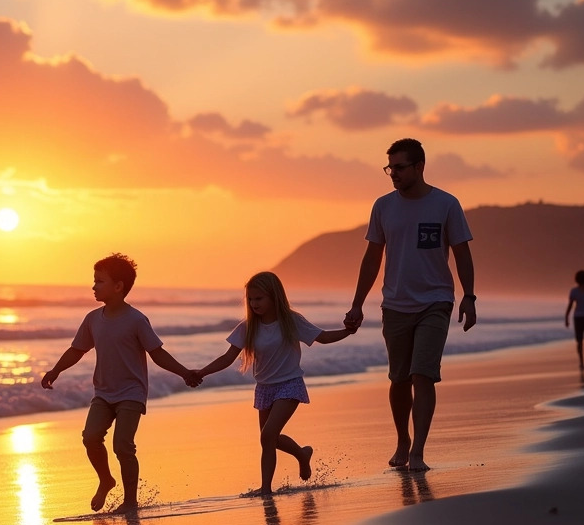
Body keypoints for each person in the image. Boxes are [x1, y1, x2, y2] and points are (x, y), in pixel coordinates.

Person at [344, 138, 476, 473]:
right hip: (396, 304)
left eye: (400, 167)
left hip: (436, 301)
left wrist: (469, 297)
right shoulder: (383, 206)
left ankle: (418, 450)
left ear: (419, 167)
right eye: (389, 168)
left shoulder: (446, 204)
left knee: (423, 375)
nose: (393, 174)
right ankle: (402, 439)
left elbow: (462, 253)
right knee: (399, 378)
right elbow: (372, 257)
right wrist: (357, 304)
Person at [41, 253, 200, 515]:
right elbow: (76, 350)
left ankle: (130, 502)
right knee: (91, 437)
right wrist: (55, 370)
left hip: (131, 393)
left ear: (118, 286)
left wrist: (184, 373)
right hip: (103, 393)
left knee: (122, 446)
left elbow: (157, 353)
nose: (93, 286)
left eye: (100, 281)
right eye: (94, 281)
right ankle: (106, 479)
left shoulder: (136, 320)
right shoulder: (93, 319)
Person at [195, 271, 353, 495]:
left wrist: (349, 330)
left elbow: (322, 337)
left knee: (267, 435)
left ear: (273, 296)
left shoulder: (291, 321)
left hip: (289, 383)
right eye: (250, 299)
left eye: (259, 298)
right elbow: (227, 357)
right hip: (264, 388)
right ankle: (301, 454)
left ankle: (266, 489)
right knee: (269, 439)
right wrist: (201, 372)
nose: (254, 303)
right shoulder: (247, 327)